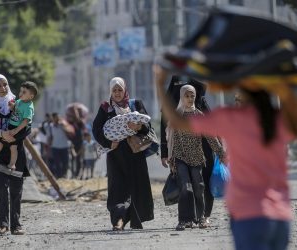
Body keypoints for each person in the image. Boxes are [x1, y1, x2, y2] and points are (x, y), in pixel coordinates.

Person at [155, 65, 297, 249]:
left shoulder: (230, 118)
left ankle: (197, 217)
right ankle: (190, 218)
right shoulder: (279, 121)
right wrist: (285, 82)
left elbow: (177, 121)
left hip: (247, 215)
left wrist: (159, 84)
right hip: (280, 216)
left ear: (240, 96)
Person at [92, 77, 154, 230]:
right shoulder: (106, 108)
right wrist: (109, 143)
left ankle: (135, 220)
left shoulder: (135, 104)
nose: (117, 93)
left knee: (136, 187)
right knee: (118, 188)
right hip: (116, 155)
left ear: (125, 90)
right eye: (114, 90)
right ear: (110, 92)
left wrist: (138, 127)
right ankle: (118, 220)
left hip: (135, 154)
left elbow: (147, 126)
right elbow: (96, 130)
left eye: (120, 90)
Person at [164, 84, 225, 231]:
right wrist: (169, 157)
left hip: (197, 157)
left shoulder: (199, 115)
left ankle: (201, 217)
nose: (190, 99)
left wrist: (221, 153)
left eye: (192, 96)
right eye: (187, 96)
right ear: (181, 97)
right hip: (180, 157)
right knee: (185, 187)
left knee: (199, 187)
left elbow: (210, 137)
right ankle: (184, 220)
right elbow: (169, 138)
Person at [0, 74, 30, 235]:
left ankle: (16, 225)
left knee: (16, 190)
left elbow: (28, 125)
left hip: (16, 154)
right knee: (1, 188)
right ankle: (2, 224)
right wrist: (0, 133)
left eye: (5, 84)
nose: (3, 88)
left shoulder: (19, 104)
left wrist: (13, 135)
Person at [0, 81, 37, 170]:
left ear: (31, 96)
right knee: (0, 142)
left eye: (24, 92)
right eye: (21, 91)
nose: (21, 93)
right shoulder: (20, 101)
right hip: (11, 126)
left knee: (13, 148)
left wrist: (16, 130)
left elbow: (26, 121)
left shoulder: (29, 107)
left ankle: (12, 164)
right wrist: (11, 106)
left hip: (18, 129)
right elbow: (15, 108)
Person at [48, 113, 70, 178]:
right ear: (53, 118)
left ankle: (64, 175)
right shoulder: (50, 126)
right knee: (57, 163)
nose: (57, 119)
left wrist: (64, 126)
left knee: (65, 163)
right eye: (55, 118)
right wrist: (49, 148)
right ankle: (59, 177)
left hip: (64, 146)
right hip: (55, 147)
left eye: (58, 117)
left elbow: (69, 133)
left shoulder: (63, 125)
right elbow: (50, 137)